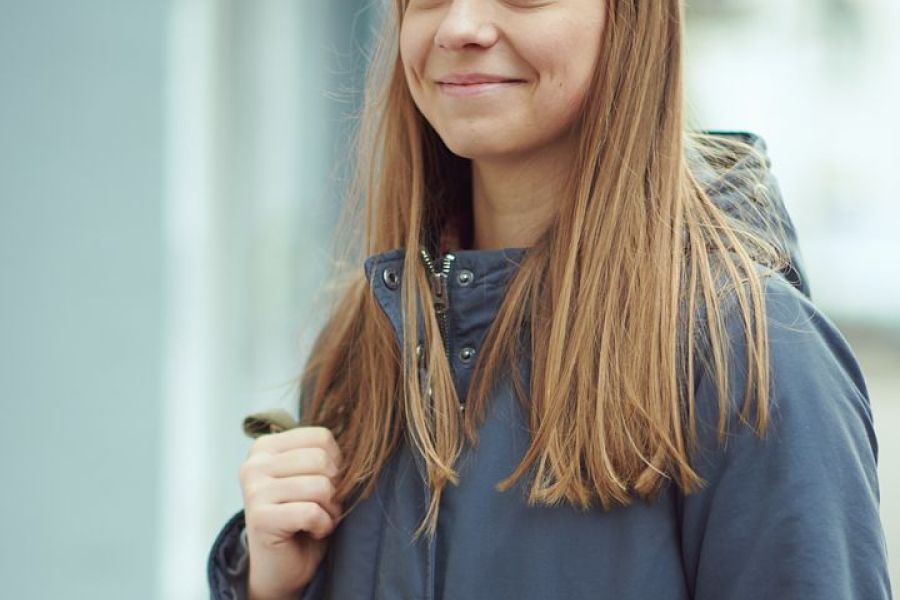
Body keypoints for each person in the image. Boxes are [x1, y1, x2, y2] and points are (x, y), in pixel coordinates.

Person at [207, 1, 893, 598]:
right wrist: (274, 588)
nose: (460, 25)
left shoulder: (751, 357)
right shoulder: (366, 342)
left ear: (629, 19)